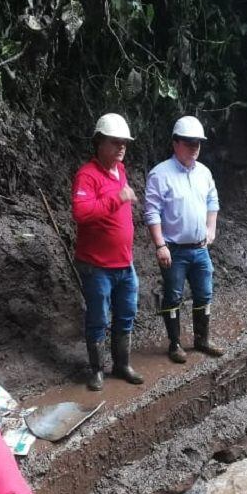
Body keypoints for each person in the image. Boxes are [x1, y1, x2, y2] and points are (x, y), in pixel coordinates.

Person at [70, 112, 144, 391]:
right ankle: (97, 369)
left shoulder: (120, 170)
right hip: (97, 265)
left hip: (125, 263)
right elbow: (82, 212)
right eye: (115, 142)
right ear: (99, 143)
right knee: (98, 318)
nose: (121, 147)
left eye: (124, 142)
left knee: (126, 313)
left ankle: (122, 364)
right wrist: (118, 198)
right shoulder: (87, 176)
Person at [144, 115, 225, 362]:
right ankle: (175, 344)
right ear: (175, 143)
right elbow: (152, 211)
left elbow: (213, 201)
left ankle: (202, 339)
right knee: (173, 296)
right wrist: (160, 245)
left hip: (200, 248)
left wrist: (211, 228)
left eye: (198, 143)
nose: (194, 148)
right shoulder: (161, 174)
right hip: (174, 249)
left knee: (204, 294)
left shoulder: (204, 172)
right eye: (189, 143)